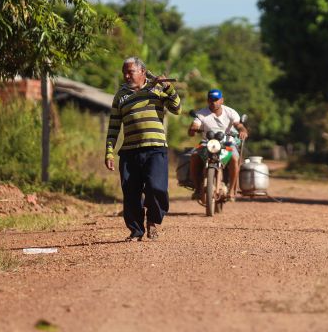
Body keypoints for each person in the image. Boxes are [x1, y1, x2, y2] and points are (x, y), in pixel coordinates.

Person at [104, 57, 181, 241]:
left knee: (157, 188)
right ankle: (136, 230)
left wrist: (168, 88)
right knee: (131, 193)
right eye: (124, 72)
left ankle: (153, 221)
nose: (126, 75)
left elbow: (177, 108)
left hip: (155, 149)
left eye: (130, 71)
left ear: (142, 72)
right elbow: (114, 126)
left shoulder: (157, 89)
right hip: (129, 151)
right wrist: (109, 151)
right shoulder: (120, 95)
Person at [189, 89, 248, 201]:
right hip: (207, 143)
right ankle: (197, 189)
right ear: (207, 100)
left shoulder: (230, 112)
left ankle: (231, 190)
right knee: (194, 156)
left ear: (221, 100)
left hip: (227, 142)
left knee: (235, 158)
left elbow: (238, 124)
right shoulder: (201, 113)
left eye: (216, 100)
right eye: (211, 100)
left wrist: (242, 130)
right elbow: (195, 124)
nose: (213, 102)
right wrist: (193, 128)